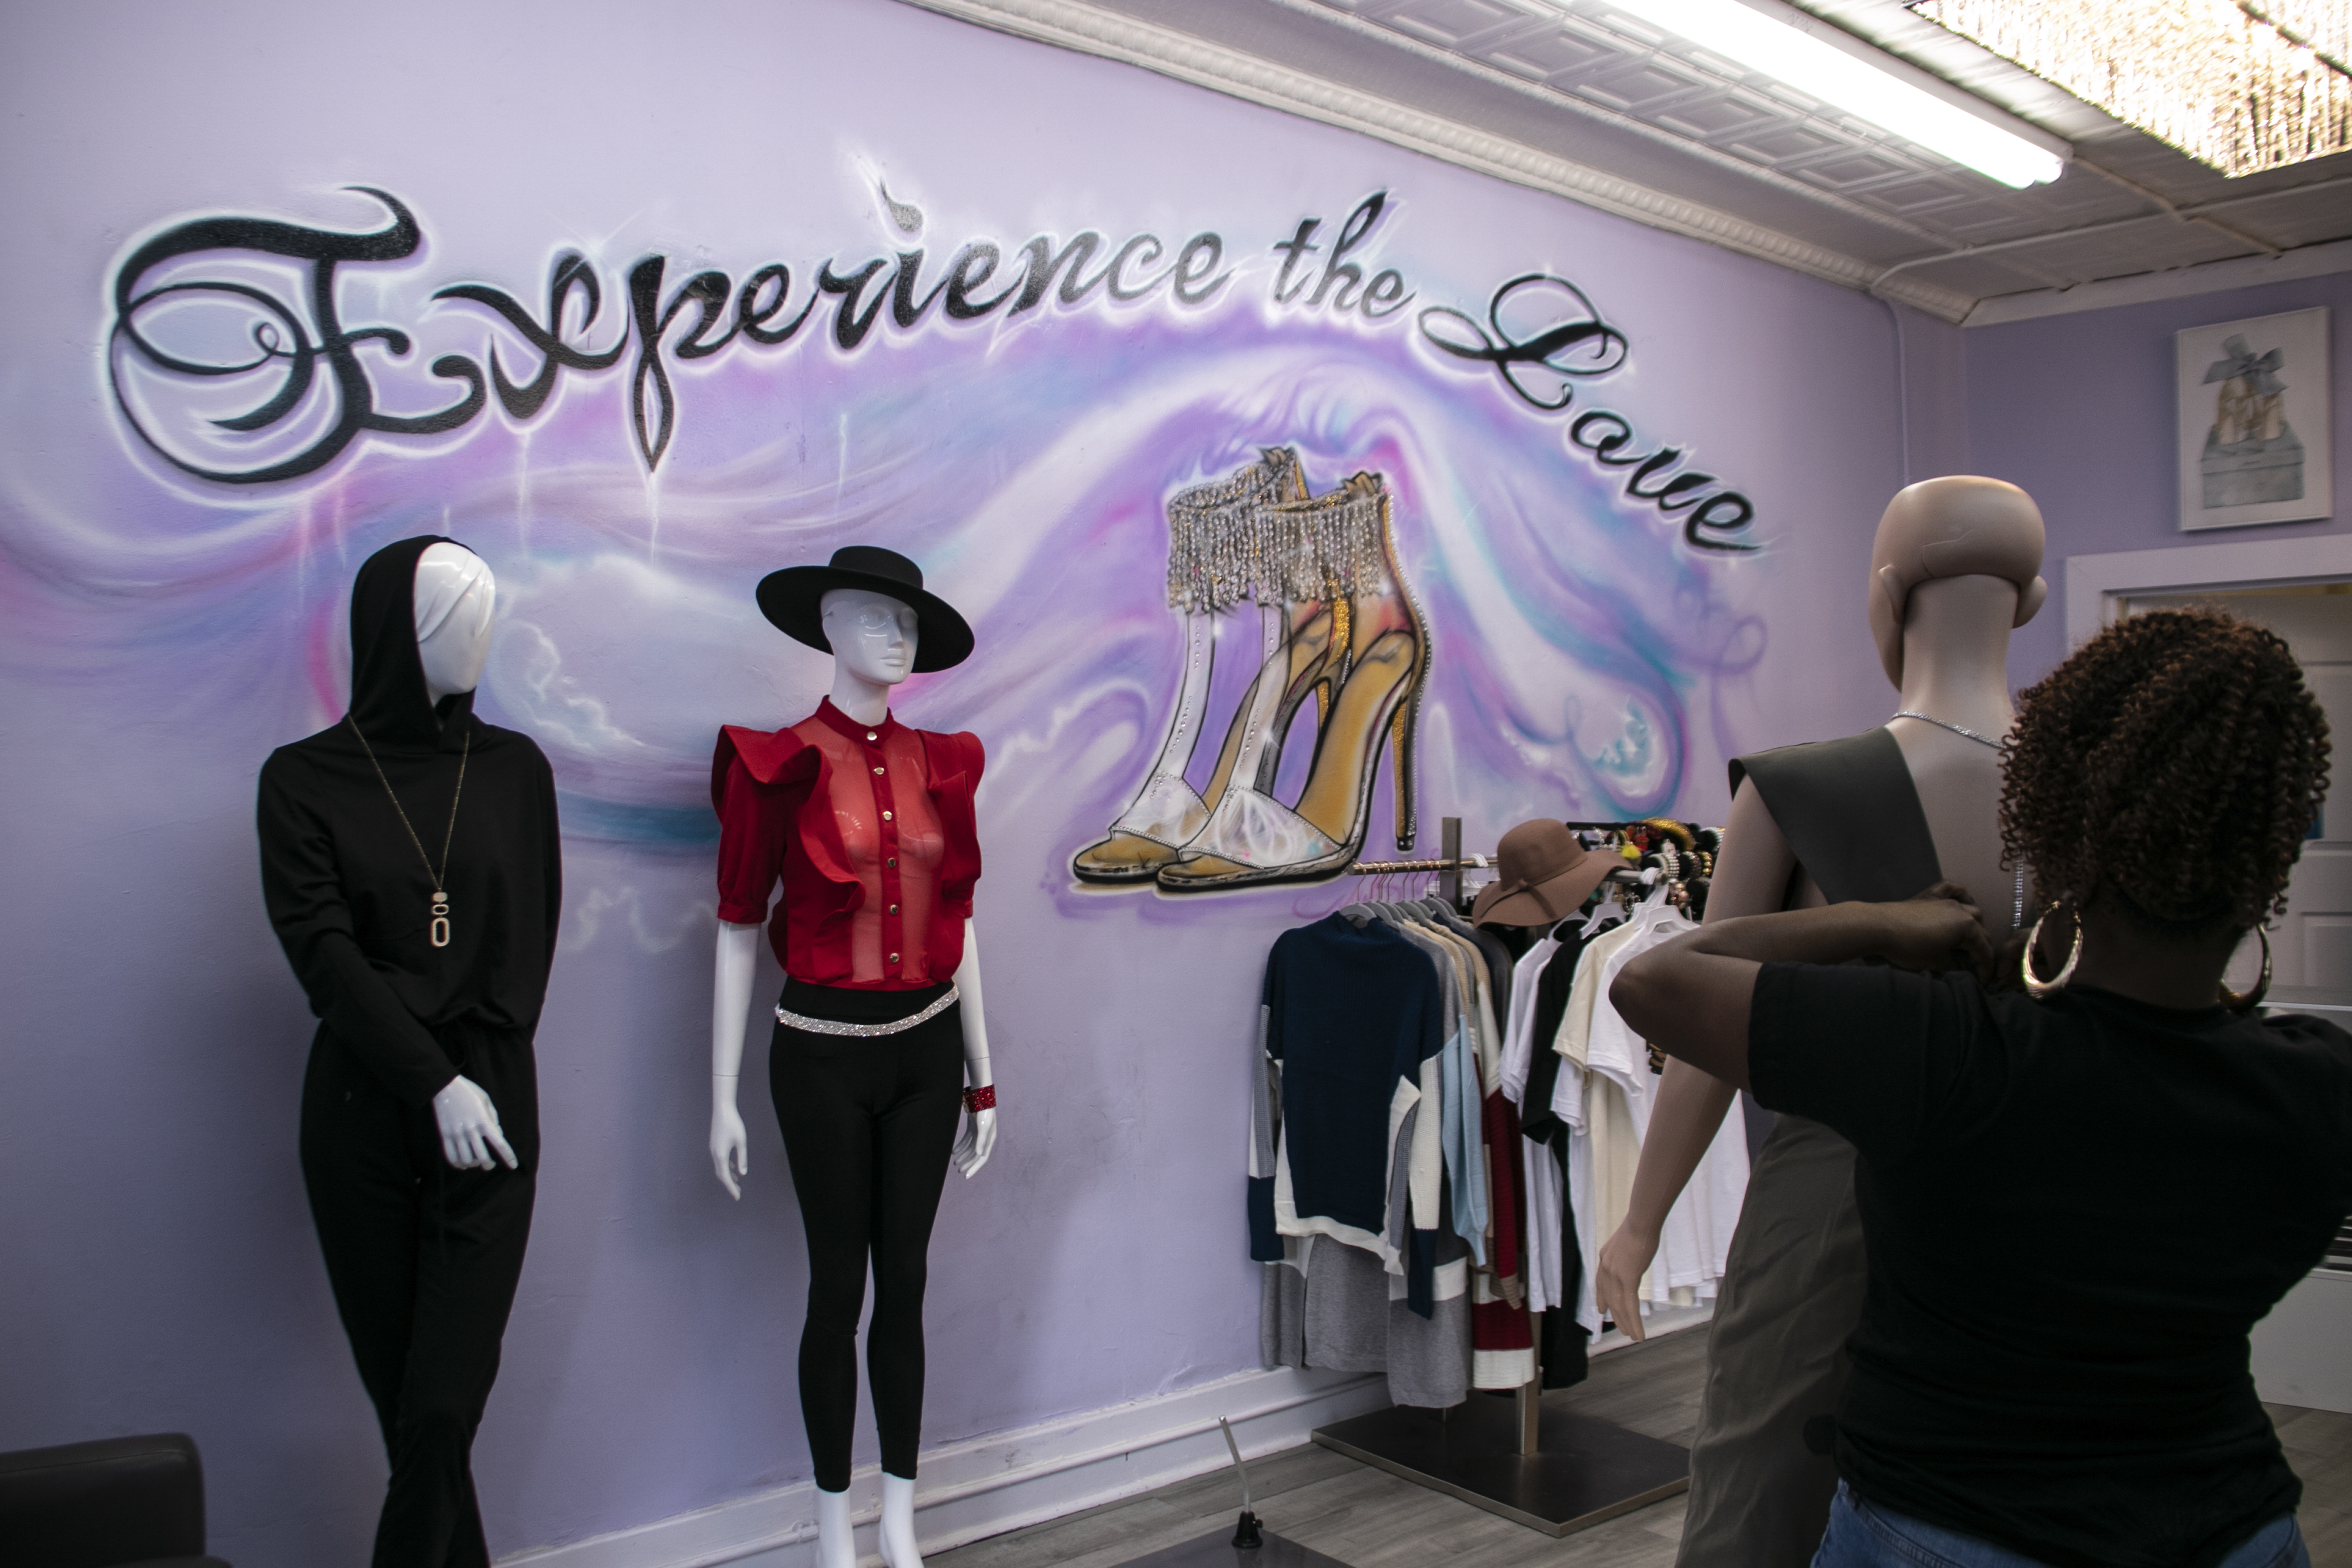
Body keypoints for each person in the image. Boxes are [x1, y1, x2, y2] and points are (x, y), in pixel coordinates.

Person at [1611, 607, 2346, 1568]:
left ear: (2049, 816)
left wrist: (1877, 925)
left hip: (1946, 1533)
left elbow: (1654, 979)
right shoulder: (2315, 1088)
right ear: (2275, 856)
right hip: (2234, 1530)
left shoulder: (1948, 1054)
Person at [1598, 474, 2047, 1566]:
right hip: (2040, 1210)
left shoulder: (1803, 791)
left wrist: (1641, 1219)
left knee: (1767, 1492)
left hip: (1829, 1218)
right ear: (2028, 600)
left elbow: (1709, 1025)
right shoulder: (2090, 797)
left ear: (1885, 593)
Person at [259, 537, 561, 1567]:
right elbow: (322, 953)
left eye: (486, 607)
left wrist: (477, 1069)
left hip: (493, 1103)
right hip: (363, 1109)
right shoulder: (303, 782)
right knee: (410, 1415)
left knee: (441, 1406)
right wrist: (430, 1077)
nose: (479, 634)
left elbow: (529, 939)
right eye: (453, 615)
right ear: (398, 634)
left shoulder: (516, 770)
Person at [707, 545, 998, 1568]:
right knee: (838, 1290)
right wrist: (722, 1099)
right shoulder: (772, 762)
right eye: (873, 614)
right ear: (825, 623)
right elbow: (738, 923)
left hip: (924, 1058)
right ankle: (833, 1528)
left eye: (909, 620)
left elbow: (961, 923)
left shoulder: (945, 763)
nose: (896, 635)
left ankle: (902, 1524)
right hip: (820, 1058)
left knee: (906, 1286)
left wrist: (983, 1073)